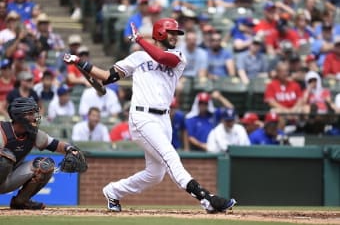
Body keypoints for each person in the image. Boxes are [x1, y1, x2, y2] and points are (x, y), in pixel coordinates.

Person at [63, 17, 236, 213]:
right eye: (171, 32)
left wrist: (139, 40)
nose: (175, 37)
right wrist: (80, 62)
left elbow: (162, 58)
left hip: (163, 119)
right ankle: (207, 199)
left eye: (176, 33)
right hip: (141, 118)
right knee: (170, 156)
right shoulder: (137, 58)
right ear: (161, 32)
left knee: (156, 173)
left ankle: (113, 191)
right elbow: (106, 76)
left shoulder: (178, 56)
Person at [0, 97, 83, 209]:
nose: (34, 117)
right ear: (18, 116)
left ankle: (21, 201)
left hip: (9, 179)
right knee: (5, 157)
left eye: (34, 113)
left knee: (45, 165)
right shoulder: (2, 131)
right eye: (30, 113)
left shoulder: (33, 134)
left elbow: (55, 144)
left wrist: (71, 149)